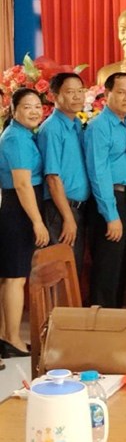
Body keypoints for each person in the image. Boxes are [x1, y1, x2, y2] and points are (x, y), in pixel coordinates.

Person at [0, 88, 48, 357]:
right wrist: (37, 222)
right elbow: (21, 184)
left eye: (37, 107)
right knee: (15, 277)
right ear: (14, 110)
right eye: (27, 107)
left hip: (18, 207)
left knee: (10, 277)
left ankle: (7, 336)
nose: (34, 111)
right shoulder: (16, 139)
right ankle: (12, 338)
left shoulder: (23, 135)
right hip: (19, 209)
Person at [84, 72, 126, 307]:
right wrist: (111, 214)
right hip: (110, 199)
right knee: (107, 266)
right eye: (121, 92)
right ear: (107, 94)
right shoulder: (99, 126)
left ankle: (114, 321)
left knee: (120, 265)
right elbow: (99, 172)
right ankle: (101, 324)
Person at [37, 72, 90, 277]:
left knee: (73, 269)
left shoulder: (76, 124)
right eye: (70, 92)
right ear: (54, 96)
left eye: (80, 91)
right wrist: (68, 218)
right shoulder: (51, 129)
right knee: (61, 272)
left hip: (77, 207)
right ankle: (58, 310)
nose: (77, 96)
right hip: (61, 209)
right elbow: (52, 178)